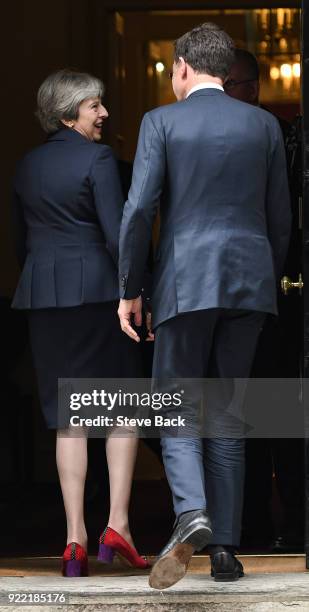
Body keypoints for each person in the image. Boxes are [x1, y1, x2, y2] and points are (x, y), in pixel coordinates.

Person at [117, 23, 291, 589]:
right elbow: (280, 216)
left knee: (177, 406)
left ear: (185, 67)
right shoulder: (263, 124)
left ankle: (191, 511)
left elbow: (139, 210)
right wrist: (265, 274)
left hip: (185, 284)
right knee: (228, 413)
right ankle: (225, 550)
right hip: (250, 282)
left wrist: (131, 286)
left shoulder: (161, 122)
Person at [11, 69, 149, 576]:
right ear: (70, 112)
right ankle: (118, 526)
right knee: (122, 406)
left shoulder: (26, 165)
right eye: (95, 106)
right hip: (97, 295)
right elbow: (118, 235)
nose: (104, 114)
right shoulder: (97, 158)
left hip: (43, 298)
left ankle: (74, 540)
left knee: (68, 414)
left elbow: (20, 243)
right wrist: (136, 292)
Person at [224, 48, 304, 553]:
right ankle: (249, 525)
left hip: (275, 291)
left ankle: (293, 525)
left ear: (252, 87)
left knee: (281, 416)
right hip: (231, 296)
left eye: (230, 85)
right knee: (239, 415)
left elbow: (282, 215)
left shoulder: (274, 135)